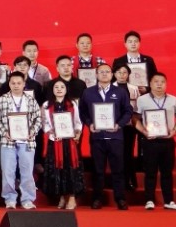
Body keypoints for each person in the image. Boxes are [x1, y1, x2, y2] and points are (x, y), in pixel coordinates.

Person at [80, 63, 132, 209]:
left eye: (107, 72)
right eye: (101, 72)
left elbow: (128, 111)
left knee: (118, 170)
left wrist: (119, 124)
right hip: (97, 137)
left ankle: (120, 199)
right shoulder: (88, 92)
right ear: (96, 74)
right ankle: (97, 198)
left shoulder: (120, 92)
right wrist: (89, 123)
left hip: (116, 137)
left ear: (112, 74)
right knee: (98, 170)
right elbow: (82, 111)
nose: (104, 74)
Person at [113, 31, 157, 198]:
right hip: (124, 112)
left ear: (139, 43)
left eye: (135, 41)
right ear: (125, 44)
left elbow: (155, 80)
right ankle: (127, 178)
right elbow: (113, 83)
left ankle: (143, 170)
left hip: (143, 104)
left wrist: (147, 89)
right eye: (130, 41)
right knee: (125, 146)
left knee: (145, 140)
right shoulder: (119, 61)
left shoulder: (148, 60)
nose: (133, 44)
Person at [0, 69, 42, 209]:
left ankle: (28, 199)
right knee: (8, 171)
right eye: (13, 83)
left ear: (24, 84)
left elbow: (38, 119)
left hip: (27, 141)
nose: (16, 85)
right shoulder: (2, 100)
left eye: (19, 83)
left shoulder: (31, 100)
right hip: (7, 141)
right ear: (9, 84)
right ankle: (10, 199)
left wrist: (32, 131)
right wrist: (5, 133)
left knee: (27, 172)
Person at [136, 70, 176, 211]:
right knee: (150, 172)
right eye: (156, 82)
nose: (159, 84)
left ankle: (169, 201)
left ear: (166, 84)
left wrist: (174, 131)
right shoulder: (142, 100)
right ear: (150, 84)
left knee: (167, 172)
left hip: (167, 140)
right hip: (150, 141)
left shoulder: (173, 99)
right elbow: (135, 119)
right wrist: (144, 131)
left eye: (162, 82)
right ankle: (149, 200)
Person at [40, 77, 85, 210]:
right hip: (55, 141)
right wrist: (51, 132)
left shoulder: (73, 104)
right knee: (57, 169)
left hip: (70, 143)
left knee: (71, 169)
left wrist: (78, 133)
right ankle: (61, 196)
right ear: (52, 90)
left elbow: (78, 122)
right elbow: (44, 123)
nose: (59, 89)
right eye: (56, 87)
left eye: (62, 87)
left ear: (66, 89)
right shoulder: (46, 105)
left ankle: (72, 197)